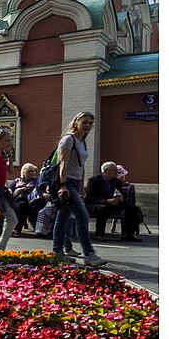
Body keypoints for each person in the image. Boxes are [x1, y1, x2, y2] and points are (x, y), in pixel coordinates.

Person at [52, 112, 106, 266]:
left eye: (90, 123)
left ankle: (58, 251)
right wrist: (62, 186)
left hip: (75, 183)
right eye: (85, 122)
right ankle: (89, 254)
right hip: (66, 182)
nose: (88, 126)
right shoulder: (68, 140)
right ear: (76, 122)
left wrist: (81, 186)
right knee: (82, 217)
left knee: (62, 218)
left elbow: (81, 167)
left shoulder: (82, 141)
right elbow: (63, 163)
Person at [85, 162, 142, 243]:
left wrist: (120, 198)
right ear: (106, 170)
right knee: (102, 209)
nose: (116, 172)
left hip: (113, 203)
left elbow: (118, 193)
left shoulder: (116, 181)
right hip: (97, 203)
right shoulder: (94, 180)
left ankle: (128, 235)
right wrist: (106, 201)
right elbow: (90, 197)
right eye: (114, 170)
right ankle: (99, 234)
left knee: (132, 208)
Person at [10, 163, 46, 237]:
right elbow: (10, 190)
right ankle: (18, 229)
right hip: (20, 200)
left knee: (30, 206)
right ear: (24, 172)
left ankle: (37, 229)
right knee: (21, 205)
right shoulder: (17, 180)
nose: (31, 173)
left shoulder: (37, 181)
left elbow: (42, 190)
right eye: (29, 171)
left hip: (33, 201)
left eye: (32, 171)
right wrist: (16, 191)